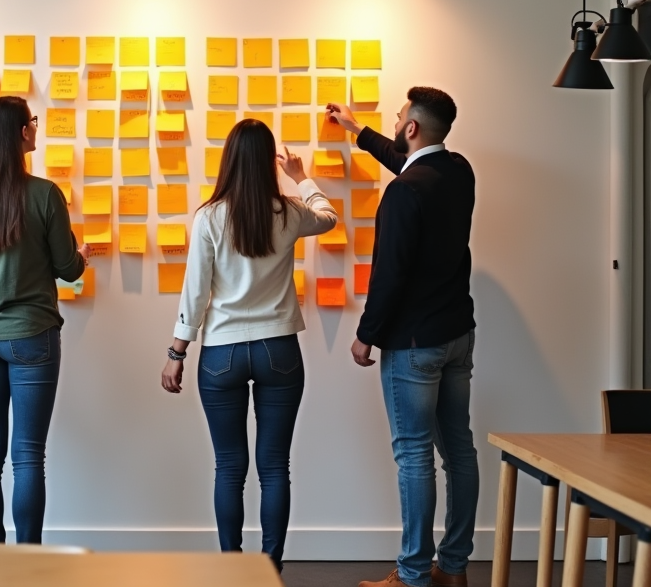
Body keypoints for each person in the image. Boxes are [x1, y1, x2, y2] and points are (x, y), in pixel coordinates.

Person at [160, 119, 338, 572]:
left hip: (222, 354)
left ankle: (234, 572)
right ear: (266, 162)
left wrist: (177, 353)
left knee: (229, 468)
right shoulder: (290, 211)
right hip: (279, 350)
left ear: (229, 160)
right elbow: (330, 216)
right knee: (275, 467)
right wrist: (302, 177)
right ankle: (271, 570)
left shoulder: (209, 216)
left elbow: (195, 294)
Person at [326, 89, 478, 587]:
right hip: (457, 335)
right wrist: (357, 130)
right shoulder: (458, 172)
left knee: (414, 454)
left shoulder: (405, 192)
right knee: (458, 451)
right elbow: (409, 163)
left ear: (411, 127)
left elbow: (388, 273)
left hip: (415, 344)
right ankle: (452, 568)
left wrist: (366, 336)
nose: (394, 122)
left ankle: (413, 575)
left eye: (397, 118)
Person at [0, 95, 91, 544]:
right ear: (20, 133)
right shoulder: (44, 194)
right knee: (28, 455)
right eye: (33, 121)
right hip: (32, 337)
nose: (36, 127)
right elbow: (68, 269)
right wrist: (81, 256)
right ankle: (28, 560)